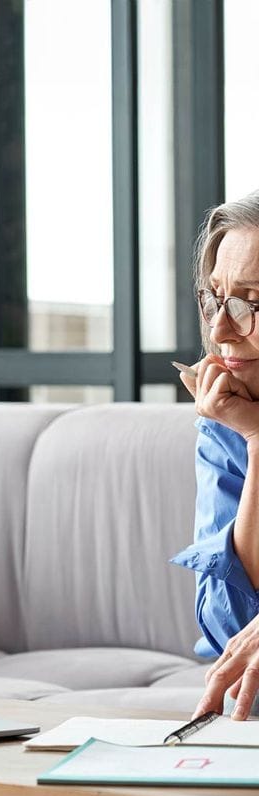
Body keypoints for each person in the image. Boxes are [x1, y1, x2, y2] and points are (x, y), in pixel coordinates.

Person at [171, 190, 259, 720]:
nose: (221, 331)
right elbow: (230, 629)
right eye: (215, 299)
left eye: (251, 302)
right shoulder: (227, 424)